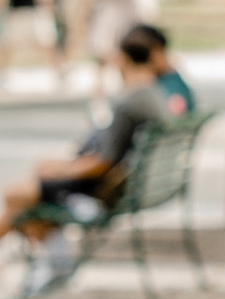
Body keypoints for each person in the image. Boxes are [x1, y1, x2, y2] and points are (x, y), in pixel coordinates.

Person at [3, 23, 194, 275]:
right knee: (27, 199)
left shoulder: (131, 102)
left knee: (17, 196)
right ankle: (55, 266)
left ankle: (57, 266)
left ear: (122, 59)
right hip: (132, 184)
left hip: (103, 191)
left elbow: (103, 162)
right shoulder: (157, 95)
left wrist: (59, 170)